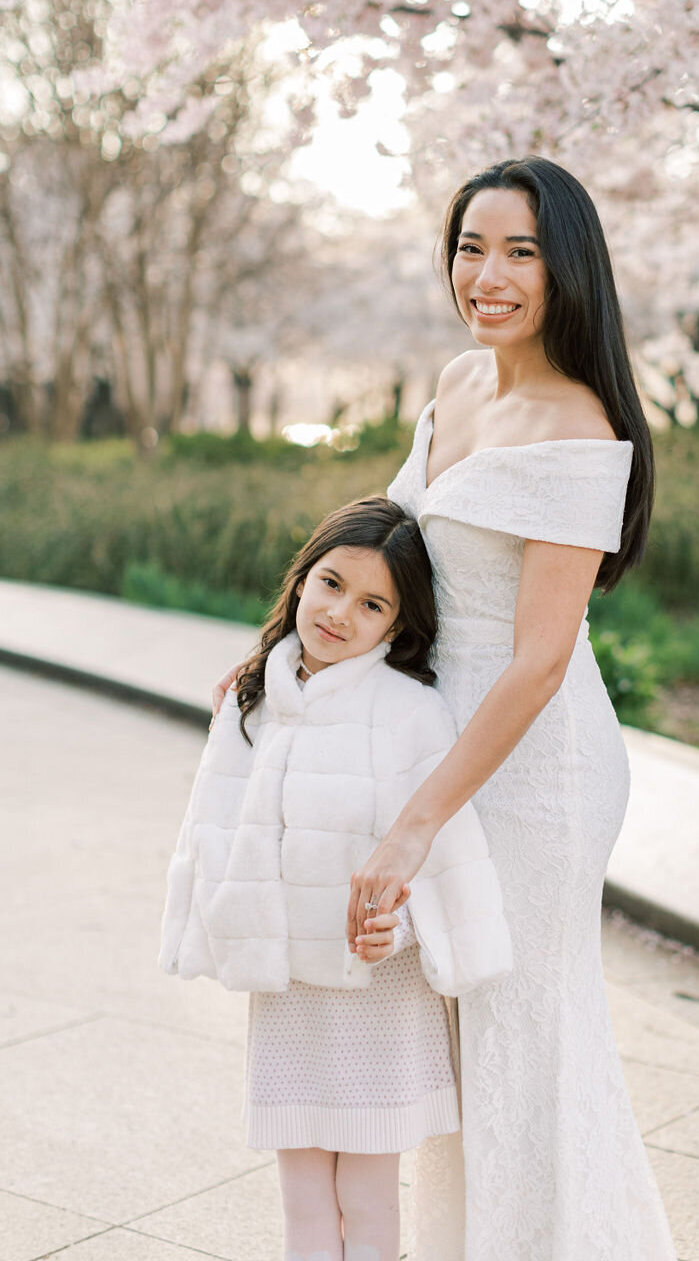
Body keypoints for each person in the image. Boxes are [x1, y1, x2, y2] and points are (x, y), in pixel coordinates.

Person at [215, 155, 677, 1259]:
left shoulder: (579, 425)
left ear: (566, 268)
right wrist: (280, 655)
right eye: (472, 246)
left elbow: (538, 661)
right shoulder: (459, 383)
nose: (491, 273)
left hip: (530, 766)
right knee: (456, 1046)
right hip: (424, 730)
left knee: (522, 1041)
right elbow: (384, 552)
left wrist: (419, 819)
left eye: (520, 250)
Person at [160, 495, 512, 1261]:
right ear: (300, 581)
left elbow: (443, 849)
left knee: (367, 1194)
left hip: (373, 993)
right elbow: (214, 824)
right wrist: (212, 926)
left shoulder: (408, 711)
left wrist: (401, 925)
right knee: (301, 1197)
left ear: (398, 624)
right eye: (330, 584)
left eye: (372, 603)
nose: (340, 613)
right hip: (287, 991)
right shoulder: (254, 699)